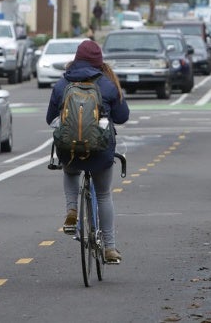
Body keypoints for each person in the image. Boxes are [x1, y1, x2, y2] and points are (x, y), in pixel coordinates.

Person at [46, 40, 130, 263]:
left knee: (71, 171)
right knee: (103, 194)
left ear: (77, 58)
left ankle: (72, 209)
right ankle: (110, 248)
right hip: (100, 152)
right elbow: (122, 117)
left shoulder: (62, 84)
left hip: (70, 151)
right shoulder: (107, 85)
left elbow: (49, 119)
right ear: (98, 62)